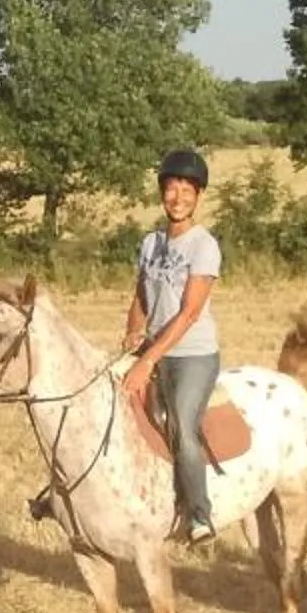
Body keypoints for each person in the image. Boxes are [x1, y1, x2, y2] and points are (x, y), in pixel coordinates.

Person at [126, 146, 223, 546]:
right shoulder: (150, 244)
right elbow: (140, 297)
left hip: (192, 356)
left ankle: (199, 513)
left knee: (183, 426)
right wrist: (133, 333)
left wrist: (147, 360)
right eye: (171, 188)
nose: (178, 197)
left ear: (199, 196)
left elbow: (188, 314)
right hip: (153, 349)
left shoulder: (204, 246)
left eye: (187, 189)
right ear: (161, 193)